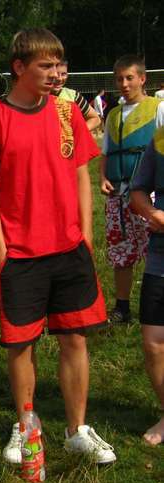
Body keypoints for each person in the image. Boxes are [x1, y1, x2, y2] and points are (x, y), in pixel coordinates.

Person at [0, 28, 116, 465]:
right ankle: (26, 426)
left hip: (69, 250)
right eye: (45, 65)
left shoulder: (67, 113)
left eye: (58, 64)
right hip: (21, 256)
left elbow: (81, 175)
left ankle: (77, 430)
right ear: (19, 68)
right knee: (22, 345)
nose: (56, 73)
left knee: (74, 339)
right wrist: (0, 249)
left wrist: (85, 234)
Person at [99, 54, 164, 323]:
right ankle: (122, 307)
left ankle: (156, 304)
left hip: (148, 195)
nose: (124, 84)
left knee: (155, 248)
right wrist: (102, 177)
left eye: (129, 78)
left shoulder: (158, 109)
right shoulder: (113, 115)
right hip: (118, 194)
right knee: (120, 250)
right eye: (119, 79)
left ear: (142, 79)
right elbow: (106, 151)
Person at [130, 127, 164, 445]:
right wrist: (152, 212)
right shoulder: (161, 138)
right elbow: (138, 190)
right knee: (154, 342)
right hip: (159, 259)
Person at [52, 60, 101, 131]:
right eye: (56, 73)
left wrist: (77, 133)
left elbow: (95, 119)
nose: (59, 78)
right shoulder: (38, 96)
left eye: (63, 74)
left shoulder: (73, 96)